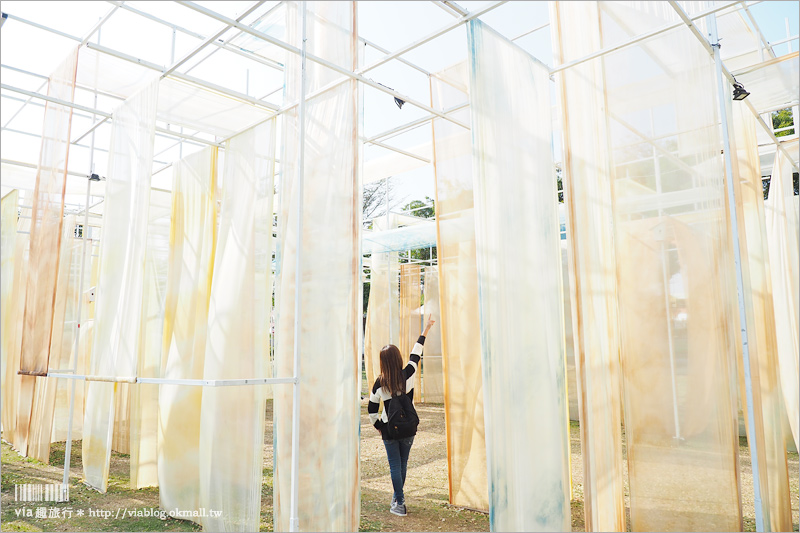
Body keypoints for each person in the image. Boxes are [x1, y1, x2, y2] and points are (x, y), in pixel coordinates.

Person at [368, 315, 436, 517]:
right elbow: (416, 354)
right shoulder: (408, 373)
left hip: (390, 430)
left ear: (382, 362)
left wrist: (380, 426)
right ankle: (398, 498)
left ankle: (400, 501)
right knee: (402, 465)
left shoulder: (379, 383)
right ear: (398, 358)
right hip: (409, 427)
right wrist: (425, 331)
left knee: (395, 466)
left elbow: (372, 410)